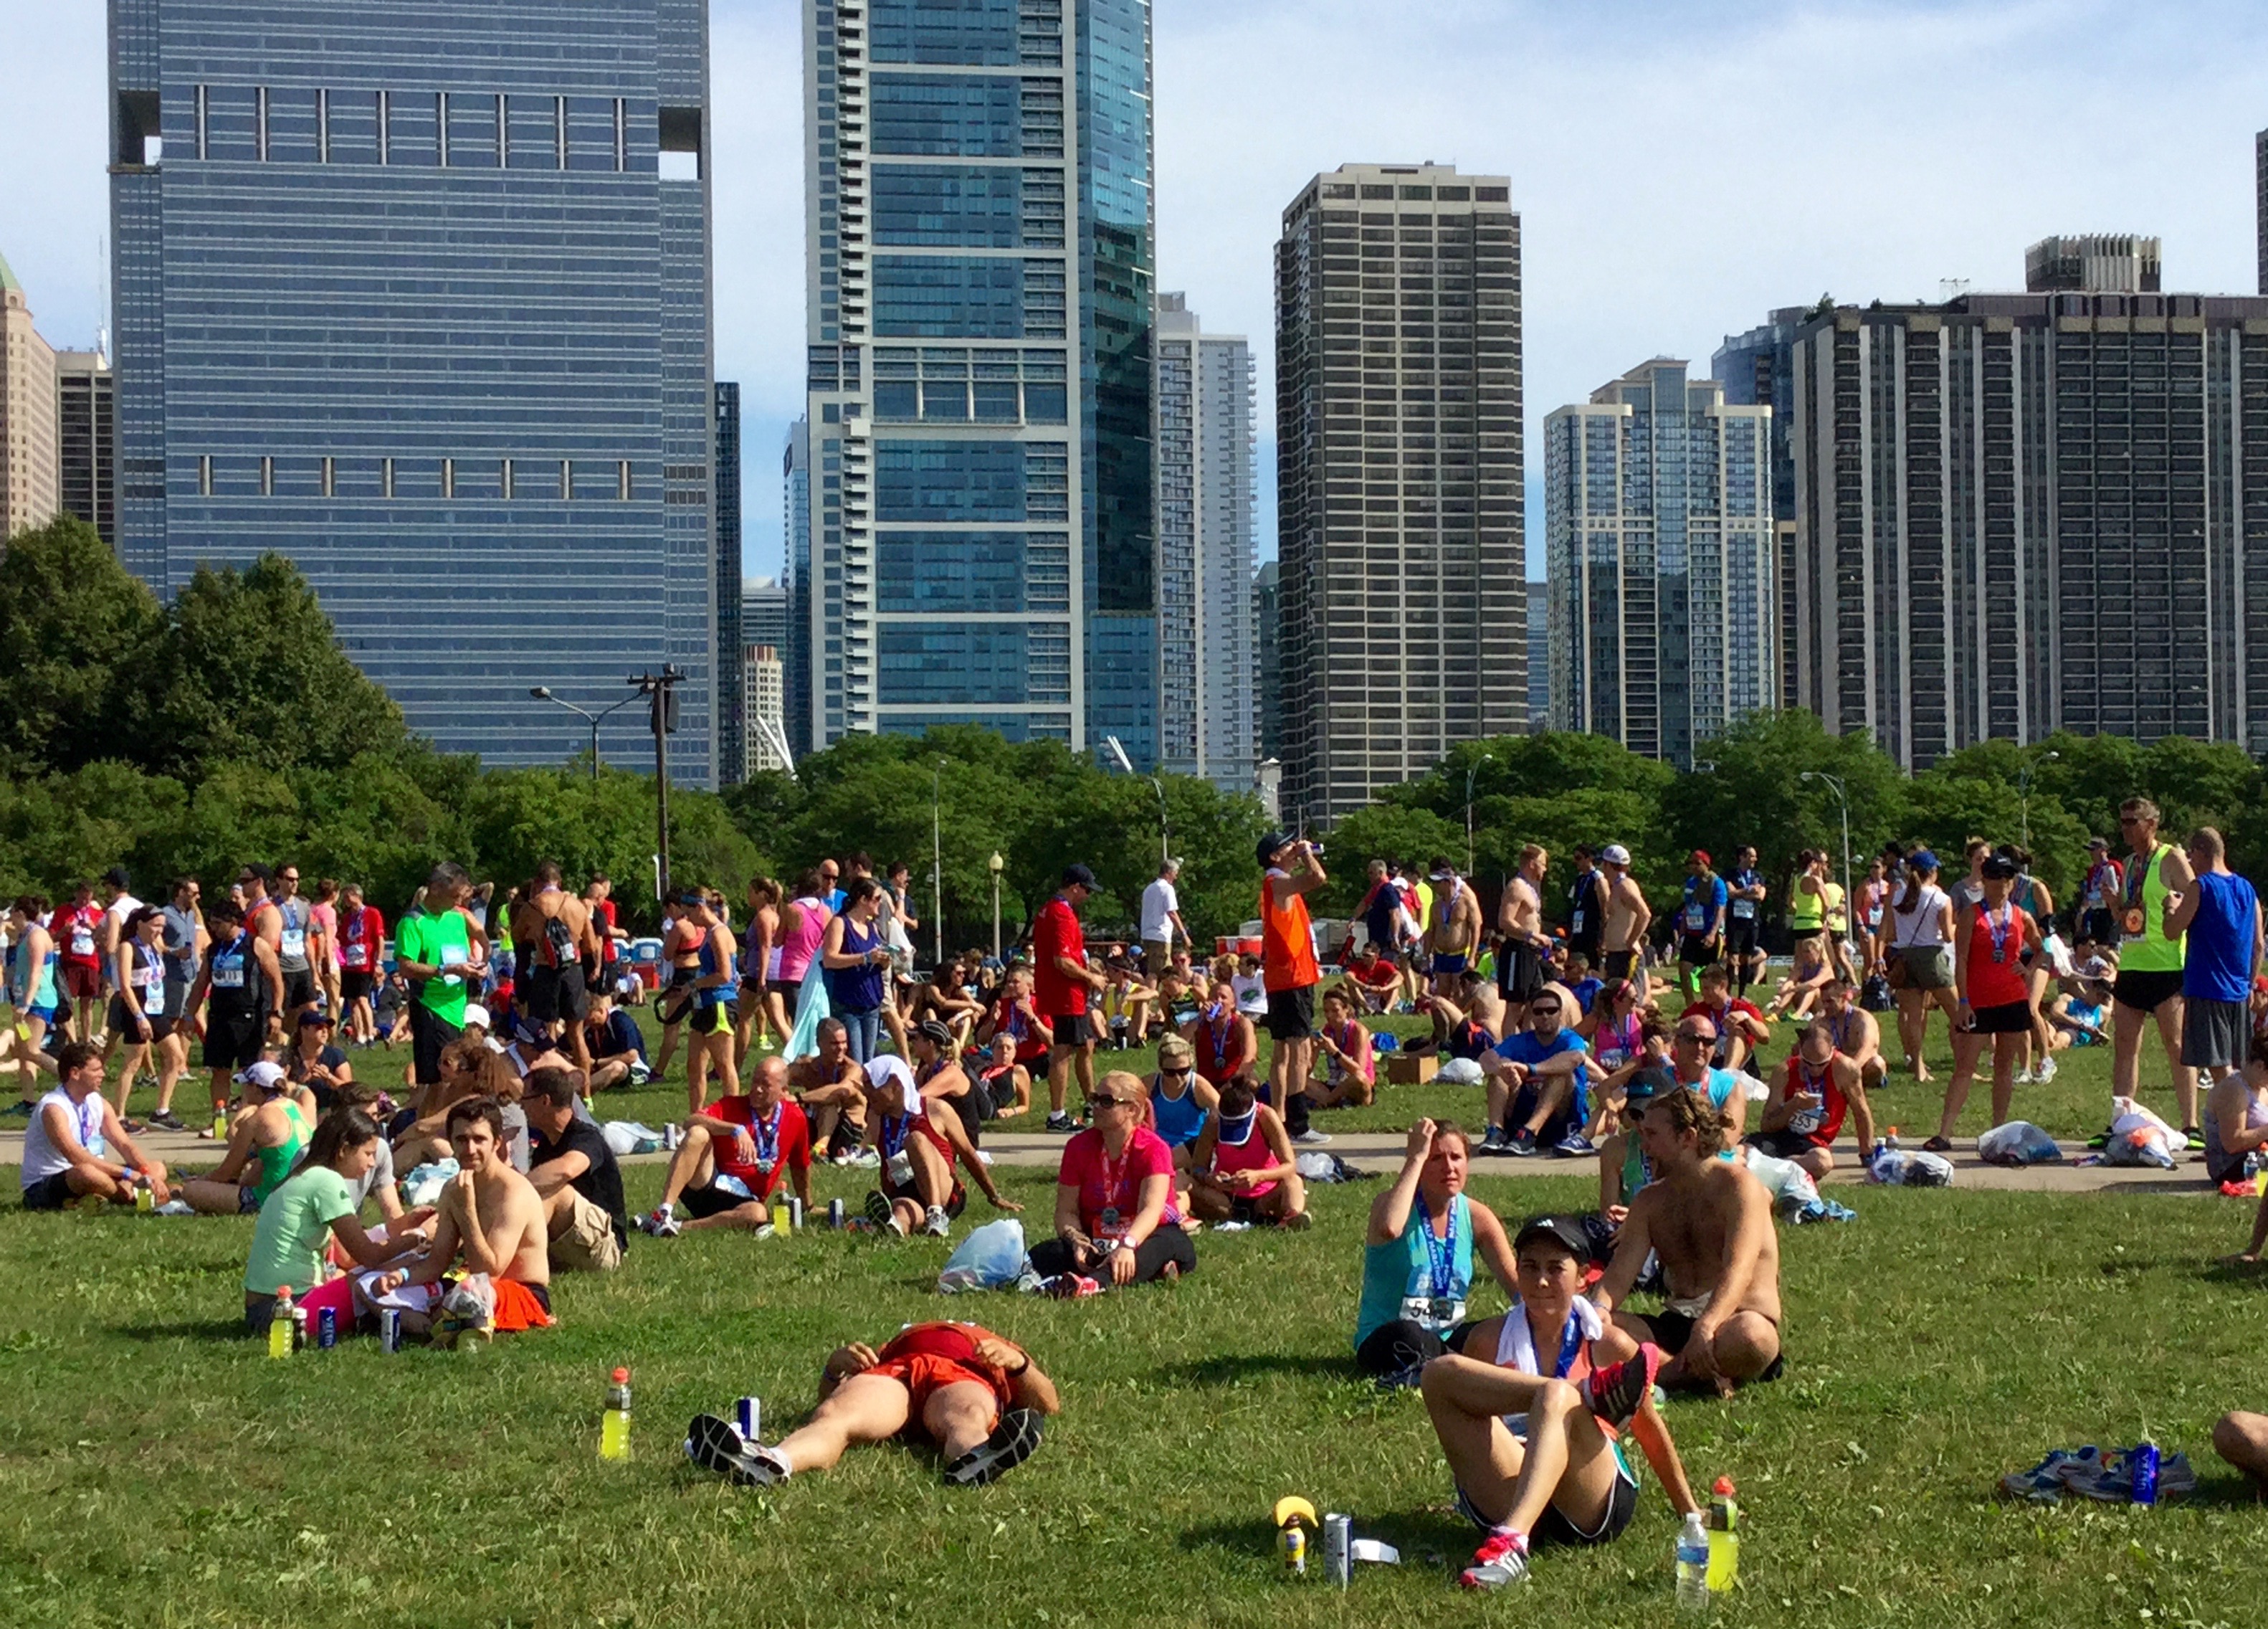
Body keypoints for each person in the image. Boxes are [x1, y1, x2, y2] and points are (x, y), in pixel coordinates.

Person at [1422, 1214, 1699, 1591]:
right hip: (1514, 1482)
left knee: (1557, 1395)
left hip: (1588, 1496)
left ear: (1584, 1277)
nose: (1541, 1280)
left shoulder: (1610, 1344)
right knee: (1439, 1372)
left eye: (1555, 1269)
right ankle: (1584, 1393)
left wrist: (1689, 1511)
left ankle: (1511, 1544)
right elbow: (1473, 1428)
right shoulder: (1488, 1339)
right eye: (1530, 1267)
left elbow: (1649, 1429)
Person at [685, 1321, 1058, 1489]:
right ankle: (774, 1461)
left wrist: (1019, 1364)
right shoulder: (898, 1342)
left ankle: (976, 1459)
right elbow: (825, 1399)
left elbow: (1048, 1403)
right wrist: (833, 1368)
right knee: (835, 1415)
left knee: (968, 1416)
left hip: (964, 1374)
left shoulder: (1000, 1347)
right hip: (896, 1370)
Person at [1593, 1088, 1783, 1394]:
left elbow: (1738, 1270)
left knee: (1754, 1338)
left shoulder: (1739, 1187)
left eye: (1652, 1135)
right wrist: (1597, 1310)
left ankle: (1657, 1375)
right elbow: (1618, 1276)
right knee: (1599, 1331)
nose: (1644, 1146)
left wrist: (1707, 1326)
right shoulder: (1649, 1201)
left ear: (1687, 1137)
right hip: (1677, 1324)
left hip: (1734, 1320)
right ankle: (1694, 1375)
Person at [370, 1098, 553, 1334]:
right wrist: (399, 1277)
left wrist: (467, 1213)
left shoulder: (514, 1194)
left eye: (479, 1139)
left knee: (468, 1295)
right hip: (467, 1280)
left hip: (517, 1291)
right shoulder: (453, 1189)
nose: (470, 1149)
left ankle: (424, 1324)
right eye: (462, 1139)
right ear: (451, 1142)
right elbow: (437, 1263)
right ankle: (428, 1324)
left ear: (497, 1142)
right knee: (369, 1285)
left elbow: (489, 1272)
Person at [1355, 1118, 1518, 1380]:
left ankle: (1451, 1366)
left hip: (1447, 1335)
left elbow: (1518, 1287)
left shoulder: (1476, 1216)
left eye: (1456, 1157)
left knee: (1507, 1328)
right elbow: (1390, 1228)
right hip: (1391, 1337)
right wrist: (1415, 1157)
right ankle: (1464, 1369)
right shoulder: (1390, 1205)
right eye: (1436, 1159)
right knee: (1407, 1334)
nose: (1449, 1167)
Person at [1029, 1069, 1196, 1288]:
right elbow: (1066, 1211)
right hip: (1095, 1237)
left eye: (1106, 1102)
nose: (1096, 1107)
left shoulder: (1154, 1149)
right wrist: (1077, 1240)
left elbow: (1151, 1210)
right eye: (1094, 1099)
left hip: (1144, 1235)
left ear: (1132, 1109)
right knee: (1044, 1254)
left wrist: (1127, 1245)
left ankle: (1092, 1284)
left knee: (1160, 1248)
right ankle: (1154, 1271)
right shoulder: (1077, 1147)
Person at [241, 1107, 404, 1331]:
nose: (372, 1163)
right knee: (372, 1282)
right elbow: (369, 1256)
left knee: (352, 1276)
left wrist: (406, 1227)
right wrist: (417, 1239)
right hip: (288, 1310)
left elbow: (346, 1257)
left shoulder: (306, 1174)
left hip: (262, 1308)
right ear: (344, 1150)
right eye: (368, 1154)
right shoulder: (326, 1181)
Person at [1931, 853, 2044, 1152]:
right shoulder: (1971, 915)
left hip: (2012, 998)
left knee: (2004, 1067)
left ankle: (1998, 1131)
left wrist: (2028, 968)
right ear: (1985, 880)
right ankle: (1944, 1133)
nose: (2002, 883)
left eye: (2007, 878)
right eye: (1995, 877)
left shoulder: (2021, 915)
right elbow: (1961, 959)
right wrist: (1963, 1000)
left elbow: (2041, 948)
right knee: (1965, 1067)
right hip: (1978, 1001)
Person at [2112, 798, 2200, 1139]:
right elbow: (2129, 914)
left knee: (2176, 1045)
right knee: (2125, 1046)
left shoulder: (2170, 857)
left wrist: (2176, 907)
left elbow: (2195, 897)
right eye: (2122, 821)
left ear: (2151, 824)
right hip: (2132, 963)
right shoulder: (2129, 863)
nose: (2125, 828)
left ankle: (2191, 1124)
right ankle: (2120, 1121)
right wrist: (2114, 904)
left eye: (2131, 821)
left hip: (2166, 966)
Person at [862, 1050, 1020, 1236]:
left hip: (943, 1187)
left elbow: (968, 1154)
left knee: (915, 1140)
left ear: (896, 1084)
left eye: (872, 1086)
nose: (866, 1092)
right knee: (901, 1214)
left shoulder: (936, 1109)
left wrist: (994, 1196)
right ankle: (891, 1225)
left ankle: (936, 1214)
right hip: (906, 1188)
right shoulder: (875, 1117)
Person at [2163, 827, 2264, 1113]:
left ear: (2199, 853)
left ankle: (2247, 1120)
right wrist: (2250, 983)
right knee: (2237, 1064)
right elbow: (2258, 943)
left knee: (2220, 1068)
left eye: (2191, 855)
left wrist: (2170, 907)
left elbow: (2173, 930)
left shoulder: (2201, 887)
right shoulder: (2247, 888)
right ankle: (2244, 1118)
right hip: (2238, 989)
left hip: (2208, 986)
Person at [19, 1040, 171, 1211]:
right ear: (75, 1073)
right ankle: (129, 1197)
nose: (103, 1074)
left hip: (96, 1171)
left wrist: (146, 1173)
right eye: (96, 1070)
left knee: (157, 1168)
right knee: (86, 1173)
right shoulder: (54, 1108)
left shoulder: (98, 1102)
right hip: (49, 1181)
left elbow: (124, 1144)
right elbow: (75, 1156)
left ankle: (118, 1193)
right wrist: (128, 1174)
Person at [181, 896, 284, 1134]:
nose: (213, 928)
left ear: (233, 921)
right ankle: (218, 1120)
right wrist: (189, 1014)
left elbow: (277, 980)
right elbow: (201, 983)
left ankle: (250, 1120)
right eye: (211, 923)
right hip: (220, 1016)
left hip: (250, 1016)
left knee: (250, 1071)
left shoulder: (256, 945)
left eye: (218, 923)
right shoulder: (214, 949)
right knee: (220, 1070)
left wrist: (276, 1012)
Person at [1256, 832, 1330, 1146]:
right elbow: (1318, 878)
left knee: (1283, 1050)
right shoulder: (1278, 883)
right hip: (1292, 978)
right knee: (1299, 1050)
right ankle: (1298, 1122)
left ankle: (1279, 1117)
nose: (1294, 847)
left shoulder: (1276, 884)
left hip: (1283, 977)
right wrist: (1307, 854)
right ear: (1275, 856)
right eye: (1287, 845)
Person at [392, 863, 488, 1096]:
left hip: (457, 1008)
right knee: (438, 1083)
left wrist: (475, 966)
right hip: (430, 1007)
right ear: (435, 889)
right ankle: (425, 1117)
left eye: (461, 896)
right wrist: (447, 970)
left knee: (456, 1080)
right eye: (454, 896)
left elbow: (460, 953)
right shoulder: (413, 922)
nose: (458, 901)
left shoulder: (456, 918)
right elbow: (406, 967)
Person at [523, 1066, 628, 1272]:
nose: (521, 1106)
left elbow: (567, 1169)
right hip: (569, 1243)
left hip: (605, 1248)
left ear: (544, 1101)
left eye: (524, 1099)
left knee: (557, 1191)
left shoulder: (587, 1137)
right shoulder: (545, 1147)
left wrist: (515, 1188)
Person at [180, 1060, 316, 1216]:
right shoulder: (295, 1107)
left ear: (256, 1088)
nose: (243, 1090)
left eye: (245, 1085)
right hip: (304, 1194)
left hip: (272, 1199)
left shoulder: (258, 1118)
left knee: (191, 1190)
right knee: (263, 1160)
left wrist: (202, 1180)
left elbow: (226, 1172)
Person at [1033, 865, 1107, 1132]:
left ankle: (1092, 1102)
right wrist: (1091, 977)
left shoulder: (1047, 910)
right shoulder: (1061, 914)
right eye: (1086, 889)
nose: (1088, 895)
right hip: (1066, 994)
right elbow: (1062, 960)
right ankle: (1057, 1114)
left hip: (1063, 992)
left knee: (1085, 1045)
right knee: (1063, 1051)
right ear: (1075, 887)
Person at [1748, 1020, 1873, 1177]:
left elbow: (1860, 1110)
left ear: (1833, 1051)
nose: (1815, 1070)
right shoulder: (1785, 1071)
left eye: (1822, 1064)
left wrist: (1866, 1153)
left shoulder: (1845, 1069)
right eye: (1808, 1063)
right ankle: (1772, 1167)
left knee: (1823, 1162)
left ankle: (1767, 1167)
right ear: (1800, 1052)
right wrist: (1793, 1106)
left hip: (1814, 1142)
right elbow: (1766, 1125)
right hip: (1780, 1135)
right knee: (1742, 1151)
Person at [1482, 987, 1594, 1158]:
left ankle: (1529, 1133)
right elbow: (1486, 1057)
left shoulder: (1570, 1039)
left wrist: (1531, 1069)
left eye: (1551, 1010)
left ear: (1560, 1014)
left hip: (1561, 1119)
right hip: (1523, 1113)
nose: (1545, 1016)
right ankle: (1496, 1131)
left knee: (1560, 1075)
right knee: (1499, 1074)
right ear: (1532, 1016)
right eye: (1539, 1012)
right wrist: (1504, 1069)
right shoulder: (1520, 1041)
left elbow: (1575, 1058)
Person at [1186, 1078, 1309, 1228]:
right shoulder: (1213, 1121)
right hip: (1225, 1197)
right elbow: (1197, 1167)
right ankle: (1185, 1218)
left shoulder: (1266, 1116)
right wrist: (1210, 1178)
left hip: (1266, 1195)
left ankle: (1292, 1216)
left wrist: (1259, 1176)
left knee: (1294, 1182)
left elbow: (1290, 1166)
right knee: (1184, 1181)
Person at [514, 860, 598, 1075]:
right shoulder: (577, 906)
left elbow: (518, 937)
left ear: (537, 882)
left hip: (546, 970)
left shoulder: (532, 906)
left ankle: (552, 1084)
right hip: (573, 970)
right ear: (559, 882)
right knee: (577, 1035)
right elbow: (590, 945)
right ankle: (586, 1090)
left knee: (547, 1032)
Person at [1882, 849, 1958, 1083]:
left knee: (1913, 1017)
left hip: (1904, 957)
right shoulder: (1940, 899)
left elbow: (1891, 933)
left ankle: (1918, 1068)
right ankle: (1964, 1063)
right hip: (1932, 957)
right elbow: (1947, 936)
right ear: (1932, 872)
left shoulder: (1897, 897)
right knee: (1958, 1013)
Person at [106, 906, 176, 1124]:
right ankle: (119, 1115)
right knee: (133, 1063)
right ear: (140, 924)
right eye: (155, 926)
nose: (159, 931)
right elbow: (125, 986)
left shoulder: (154, 946)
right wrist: (139, 1017)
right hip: (136, 1010)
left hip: (157, 1009)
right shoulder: (128, 947)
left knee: (175, 1057)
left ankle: (162, 1111)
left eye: (162, 926)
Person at [682, 890, 743, 1113]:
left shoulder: (718, 933)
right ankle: (696, 1115)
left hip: (720, 1003)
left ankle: (734, 1116)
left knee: (724, 1065)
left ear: (700, 907)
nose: (688, 919)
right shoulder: (709, 933)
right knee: (695, 1065)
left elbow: (724, 975)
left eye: (689, 913)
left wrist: (695, 985)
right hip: (705, 1003)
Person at [4, 896, 62, 1118]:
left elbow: (37, 971)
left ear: (20, 914)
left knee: (31, 1050)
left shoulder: (36, 936)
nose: (11, 919)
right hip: (23, 1002)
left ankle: (71, 1078)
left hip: (37, 1002)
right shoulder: (24, 934)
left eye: (13, 914)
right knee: (22, 1051)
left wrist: (27, 1003)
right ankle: (28, 1102)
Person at [790, 1017, 869, 1162]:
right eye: (835, 1043)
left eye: (844, 1042)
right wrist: (782, 1094)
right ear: (819, 1043)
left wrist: (797, 1098)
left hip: (851, 1133)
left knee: (829, 1105)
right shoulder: (810, 1067)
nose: (841, 1048)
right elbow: (777, 1078)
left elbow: (840, 1091)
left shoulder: (853, 1069)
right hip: (818, 1126)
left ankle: (820, 1150)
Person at [1143, 1035, 1216, 1176]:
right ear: (1160, 1067)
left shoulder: (1198, 1086)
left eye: (1183, 1071)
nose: (1177, 1078)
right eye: (1170, 1073)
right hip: (1158, 1147)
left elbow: (1222, 1114)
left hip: (1192, 1149)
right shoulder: (1151, 1084)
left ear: (1191, 1065)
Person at [1681, 963, 1771, 1073]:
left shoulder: (1743, 1008)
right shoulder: (1698, 1010)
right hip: (1709, 1060)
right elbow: (1677, 1032)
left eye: (1707, 988)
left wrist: (1746, 1017)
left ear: (1722, 985)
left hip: (1741, 1065)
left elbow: (1765, 1037)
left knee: (1737, 1031)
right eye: (1701, 989)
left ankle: (1728, 1074)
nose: (1703, 993)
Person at [2203, 1040, 2268, 1189]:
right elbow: (2233, 1143)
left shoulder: (2262, 1087)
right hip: (2232, 1166)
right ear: (2260, 1066)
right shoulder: (2234, 1091)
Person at [1495, 845, 1549, 1022]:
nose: (1545, 869)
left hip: (1532, 952)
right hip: (1516, 950)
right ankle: (1509, 1040)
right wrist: (1532, 935)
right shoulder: (1516, 887)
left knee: (1534, 1003)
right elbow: (1505, 921)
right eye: (1543, 864)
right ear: (1532, 864)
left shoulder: (1531, 887)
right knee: (1514, 1005)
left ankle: (1528, 1037)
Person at [270, 863, 325, 1026]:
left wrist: (315, 972)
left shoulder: (304, 907)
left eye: (297, 879)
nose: (294, 883)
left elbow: (307, 941)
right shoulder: (271, 907)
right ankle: (285, 1040)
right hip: (282, 969)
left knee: (312, 1011)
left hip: (302, 967)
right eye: (290, 879)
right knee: (286, 1015)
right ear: (279, 880)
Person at [738, 875, 787, 1057]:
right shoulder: (774, 915)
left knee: (743, 1019)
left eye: (751, 892)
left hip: (760, 974)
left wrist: (761, 978)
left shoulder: (764, 916)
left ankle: (734, 1064)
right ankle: (800, 1059)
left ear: (762, 894)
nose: (748, 896)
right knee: (778, 1021)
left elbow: (766, 946)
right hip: (772, 972)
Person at [51, 880, 105, 1043]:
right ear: (76, 894)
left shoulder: (97, 914)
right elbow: (52, 937)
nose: (84, 902)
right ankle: (72, 1041)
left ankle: (86, 1041)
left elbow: (105, 939)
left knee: (87, 1004)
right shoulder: (63, 911)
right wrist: (64, 931)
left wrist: (94, 928)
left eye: (88, 899)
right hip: (70, 962)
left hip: (91, 963)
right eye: (82, 898)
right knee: (68, 1003)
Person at [1818, 975, 1889, 1095]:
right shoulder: (1822, 1020)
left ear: (1844, 997)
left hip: (1860, 1065)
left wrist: (1848, 1071)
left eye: (1830, 1001)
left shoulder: (1862, 1019)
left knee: (1877, 1064)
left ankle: (1862, 1084)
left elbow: (1867, 1050)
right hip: (1835, 1065)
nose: (1825, 1006)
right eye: (1823, 1002)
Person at [1308, 984, 1376, 1109]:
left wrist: (1334, 1051)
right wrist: (1314, 1050)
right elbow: (1307, 1071)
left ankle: (1328, 1101)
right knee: (1298, 1078)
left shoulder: (1358, 1031)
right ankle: (1334, 1100)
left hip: (1357, 1086)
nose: (1330, 1016)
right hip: (1335, 1084)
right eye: (1326, 1011)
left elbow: (1358, 1069)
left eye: (1335, 1011)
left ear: (1346, 1009)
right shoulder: (1326, 1031)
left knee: (1358, 1077)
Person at [1597, 845, 1652, 994]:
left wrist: (1633, 940)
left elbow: (1644, 914)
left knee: (1629, 999)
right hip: (1615, 954)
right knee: (1614, 1000)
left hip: (1625, 955)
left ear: (1608, 865)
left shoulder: (1624, 886)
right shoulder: (1616, 887)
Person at [1674, 851, 1728, 1002]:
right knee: (1684, 968)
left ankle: (1713, 1003)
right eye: (1691, 863)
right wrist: (1682, 933)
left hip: (1708, 933)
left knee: (1711, 974)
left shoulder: (1717, 883)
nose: (1694, 866)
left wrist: (1713, 934)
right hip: (1692, 933)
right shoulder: (1691, 882)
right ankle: (1690, 1005)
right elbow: (1686, 908)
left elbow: (1720, 909)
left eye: (1698, 863)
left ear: (1707, 865)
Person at [335, 882, 384, 1047]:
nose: (346, 899)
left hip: (365, 964)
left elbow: (379, 939)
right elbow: (342, 939)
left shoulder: (372, 913)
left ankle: (370, 1035)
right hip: (349, 964)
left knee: (363, 999)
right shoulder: (347, 918)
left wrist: (379, 962)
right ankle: (359, 1036)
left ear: (357, 895)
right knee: (352, 1001)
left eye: (348, 896)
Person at [1427, 858, 1483, 994]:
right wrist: (1426, 955)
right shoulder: (1435, 906)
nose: (1435, 886)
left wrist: (1472, 957)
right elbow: (1430, 931)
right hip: (1441, 954)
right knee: (1442, 992)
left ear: (1448, 882)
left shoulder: (1466, 901)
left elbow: (1476, 927)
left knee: (1459, 992)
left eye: (1438, 883)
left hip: (1459, 954)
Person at [580, 987, 649, 1092]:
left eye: (591, 1019)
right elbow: (563, 1047)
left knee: (617, 1067)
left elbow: (631, 1056)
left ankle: (581, 1090)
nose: (589, 1023)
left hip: (632, 1069)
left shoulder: (620, 1020)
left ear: (600, 1010)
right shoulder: (587, 1025)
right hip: (601, 1067)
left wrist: (596, 1063)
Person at [282, 1009, 354, 1109]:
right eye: (319, 1027)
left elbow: (350, 1091)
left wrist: (329, 1078)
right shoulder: (288, 1056)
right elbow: (278, 1091)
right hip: (296, 1109)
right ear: (304, 1029)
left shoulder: (336, 1056)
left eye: (327, 1027)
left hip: (329, 1111)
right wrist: (301, 1082)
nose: (325, 1031)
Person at [1724, 846, 1768, 999]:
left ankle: (1741, 994)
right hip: (1734, 921)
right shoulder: (1730, 874)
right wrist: (1749, 890)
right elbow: (1730, 893)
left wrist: (1741, 893)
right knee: (1732, 958)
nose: (1755, 859)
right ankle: (1727, 994)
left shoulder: (1758, 876)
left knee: (1746, 958)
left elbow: (1760, 896)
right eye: (1752, 856)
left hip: (1751, 921)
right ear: (1742, 857)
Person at [1762, 934, 1833, 1024]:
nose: (1805, 954)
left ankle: (1798, 1015)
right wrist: (1782, 992)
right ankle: (1776, 1014)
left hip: (1823, 1003)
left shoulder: (1825, 967)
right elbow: (1791, 980)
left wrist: (1795, 988)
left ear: (1818, 952)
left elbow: (1814, 983)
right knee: (1793, 987)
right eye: (1803, 951)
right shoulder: (1802, 965)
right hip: (1805, 1000)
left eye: (1808, 951)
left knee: (1813, 989)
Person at [1139, 858, 1188, 980]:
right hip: (1160, 936)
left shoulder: (1149, 889)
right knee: (1161, 972)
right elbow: (1172, 913)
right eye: (1175, 873)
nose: (1176, 877)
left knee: (1155, 969)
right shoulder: (1167, 888)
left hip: (1147, 935)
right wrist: (1184, 934)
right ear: (1168, 872)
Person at [1563, 845, 1607, 973]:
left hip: (1592, 931)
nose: (1576, 862)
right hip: (1578, 930)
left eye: (1579, 858)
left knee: (1591, 967)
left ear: (1589, 858)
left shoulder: (1598, 878)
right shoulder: (1579, 879)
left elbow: (1605, 910)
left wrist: (1604, 938)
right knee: (1573, 964)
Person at [2077, 837, 2124, 949]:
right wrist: (2082, 912)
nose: (2091, 854)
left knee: (2108, 947)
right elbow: (2088, 893)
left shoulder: (2113, 866)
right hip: (2096, 911)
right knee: (2097, 947)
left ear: (2102, 850)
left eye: (2093, 850)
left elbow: (2121, 888)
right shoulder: (2092, 871)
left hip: (2110, 911)